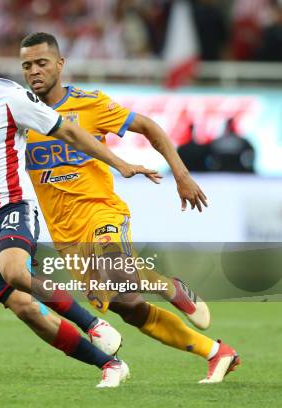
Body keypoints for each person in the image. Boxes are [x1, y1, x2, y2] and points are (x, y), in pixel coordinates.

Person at [0, 17, 161, 388]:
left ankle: (92, 322)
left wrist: (120, 163)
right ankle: (109, 365)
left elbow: (70, 131)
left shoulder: (10, 96)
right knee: (25, 308)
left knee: (14, 271)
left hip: (13, 205)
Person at [19, 32, 239, 384]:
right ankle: (216, 353)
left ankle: (171, 287)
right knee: (128, 306)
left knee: (119, 275)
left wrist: (180, 175)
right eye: (27, 65)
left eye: (42, 63)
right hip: (65, 234)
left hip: (101, 211)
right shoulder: (21, 114)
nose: (34, 71)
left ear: (60, 64)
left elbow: (148, 126)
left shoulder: (88, 104)